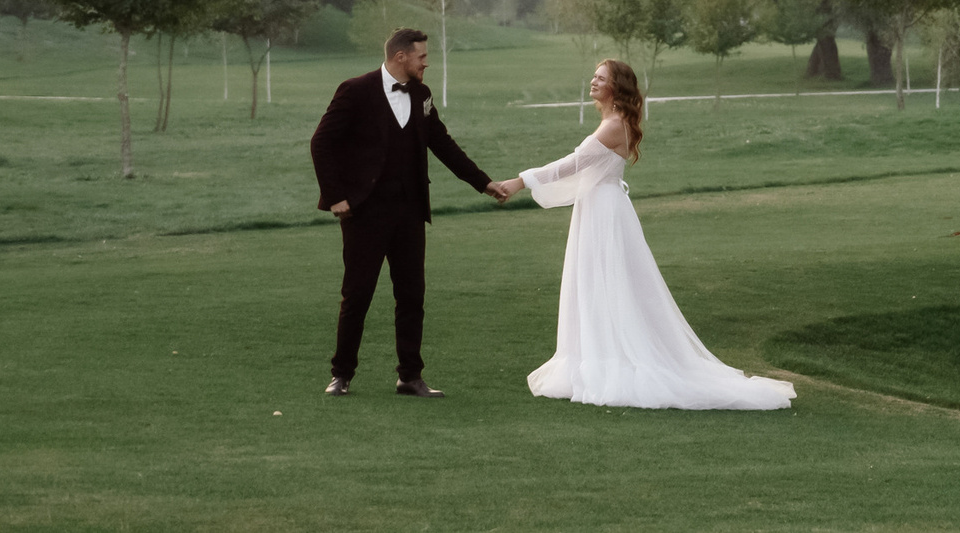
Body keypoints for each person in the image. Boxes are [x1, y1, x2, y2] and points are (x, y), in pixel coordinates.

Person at [486, 59, 795, 410]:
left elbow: (571, 165)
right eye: (594, 76)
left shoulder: (613, 126)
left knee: (607, 281)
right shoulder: (613, 122)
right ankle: (595, 355)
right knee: (595, 282)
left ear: (615, 88)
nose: (592, 82)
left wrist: (521, 181)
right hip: (599, 207)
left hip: (604, 212)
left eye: (600, 78)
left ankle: (610, 360)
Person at [309, 26, 504, 397]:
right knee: (357, 295)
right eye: (422, 56)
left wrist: (483, 183)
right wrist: (335, 197)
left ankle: (410, 377)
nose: (426, 63)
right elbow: (321, 142)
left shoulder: (422, 94)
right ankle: (341, 375)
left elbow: (442, 144)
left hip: (410, 212)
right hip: (365, 214)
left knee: (412, 296)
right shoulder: (355, 90)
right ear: (401, 56)